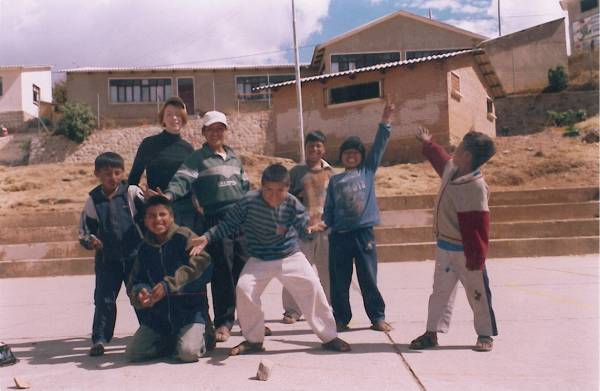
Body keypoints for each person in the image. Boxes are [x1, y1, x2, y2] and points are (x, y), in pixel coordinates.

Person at [192, 164, 351, 356]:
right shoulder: (248, 202)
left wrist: (309, 230)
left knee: (312, 286)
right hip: (260, 258)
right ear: (261, 186)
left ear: (288, 189)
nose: (274, 196)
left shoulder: (292, 204)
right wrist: (207, 237)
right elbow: (228, 224)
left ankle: (329, 336)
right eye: (268, 190)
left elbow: (303, 228)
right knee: (244, 288)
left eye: (280, 191)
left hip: (289, 255)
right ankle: (254, 340)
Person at [161, 110, 252, 343]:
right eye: (211, 129)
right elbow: (182, 179)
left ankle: (250, 321)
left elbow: (246, 188)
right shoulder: (197, 158)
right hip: (215, 220)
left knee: (246, 274)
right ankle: (223, 322)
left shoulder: (233, 157)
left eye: (220, 129)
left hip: (241, 220)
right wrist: (168, 196)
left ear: (225, 132)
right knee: (223, 274)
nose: (216, 133)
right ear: (204, 132)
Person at [409, 126, 497, 352]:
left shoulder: (476, 187)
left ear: (467, 156)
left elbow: (478, 227)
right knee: (439, 292)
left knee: (477, 293)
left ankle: (485, 334)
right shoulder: (452, 170)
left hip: (468, 253)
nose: (453, 151)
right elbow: (441, 159)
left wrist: (475, 259)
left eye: (458, 148)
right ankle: (431, 332)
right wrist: (427, 143)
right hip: (445, 248)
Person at [323, 102, 395, 333]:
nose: (351, 156)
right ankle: (341, 318)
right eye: (347, 153)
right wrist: (324, 224)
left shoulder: (367, 171)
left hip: (364, 235)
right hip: (339, 237)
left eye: (355, 153)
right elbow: (329, 208)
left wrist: (386, 120)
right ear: (341, 157)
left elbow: (379, 147)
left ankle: (377, 317)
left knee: (368, 278)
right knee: (339, 281)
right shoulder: (334, 181)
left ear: (362, 157)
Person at [126, 196, 212, 362]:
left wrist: (170, 285)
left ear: (171, 217)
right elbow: (135, 281)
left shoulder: (185, 237)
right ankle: (171, 341)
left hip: (190, 313)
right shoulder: (145, 248)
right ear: (145, 220)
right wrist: (140, 293)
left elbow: (203, 265)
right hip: (160, 317)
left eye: (162, 214)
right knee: (133, 353)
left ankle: (205, 335)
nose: (157, 219)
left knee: (188, 353)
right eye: (151, 216)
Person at [79, 152, 144, 356]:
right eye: (107, 173)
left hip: (134, 256)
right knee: (104, 299)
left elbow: (149, 216)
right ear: (97, 173)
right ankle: (100, 339)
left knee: (140, 295)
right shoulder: (93, 200)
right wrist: (91, 241)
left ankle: (152, 331)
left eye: (117, 173)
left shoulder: (131, 193)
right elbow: (84, 232)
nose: (112, 177)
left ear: (122, 172)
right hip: (107, 259)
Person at [281, 130, 334, 324]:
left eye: (318, 145)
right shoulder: (295, 172)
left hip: (325, 230)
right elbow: (285, 199)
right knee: (296, 271)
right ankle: (292, 311)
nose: (315, 149)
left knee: (327, 271)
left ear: (324, 148)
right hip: (301, 231)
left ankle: (326, 307)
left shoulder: (331, 172)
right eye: (311, 145)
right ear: (305, 148)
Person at [128, 96, 197, 229]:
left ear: (183, 119)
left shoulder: (188, 149)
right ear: (163, 118)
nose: (174, 118)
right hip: (156, 211)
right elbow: (133, 180)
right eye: (169, 114)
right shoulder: (148, 144)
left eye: (178, 114)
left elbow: (191, 183)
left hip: (182, 211)